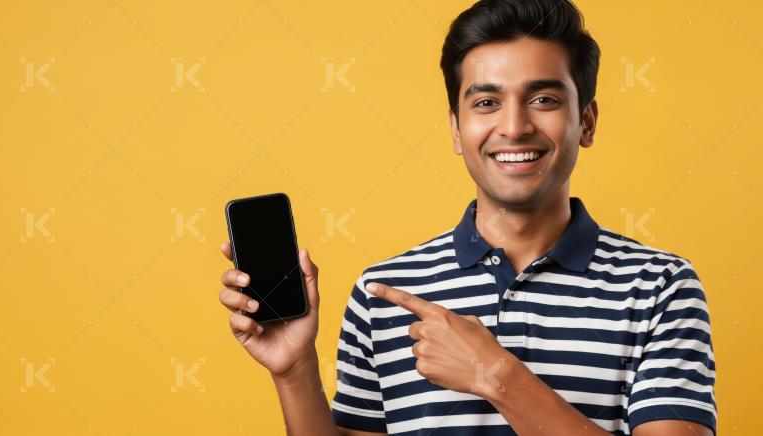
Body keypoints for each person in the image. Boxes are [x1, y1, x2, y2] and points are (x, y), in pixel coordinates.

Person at [218, 0, 717, 434]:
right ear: (457, 130)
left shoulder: (661, 286)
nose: (515, 126)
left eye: (543, 99)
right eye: (486, 102)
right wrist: (294, 370)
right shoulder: (385, 292)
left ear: (585, 122)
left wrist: (495, 375)